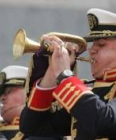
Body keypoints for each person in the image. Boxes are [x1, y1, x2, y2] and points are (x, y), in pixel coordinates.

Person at [19, 8, 116, 140]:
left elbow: (105, 123)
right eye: (93, 44)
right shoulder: (93, 91)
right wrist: (52, 74)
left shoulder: (86, 96)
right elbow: (33, 126)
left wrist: (64, 75)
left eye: (101, 44)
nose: (91, 50)